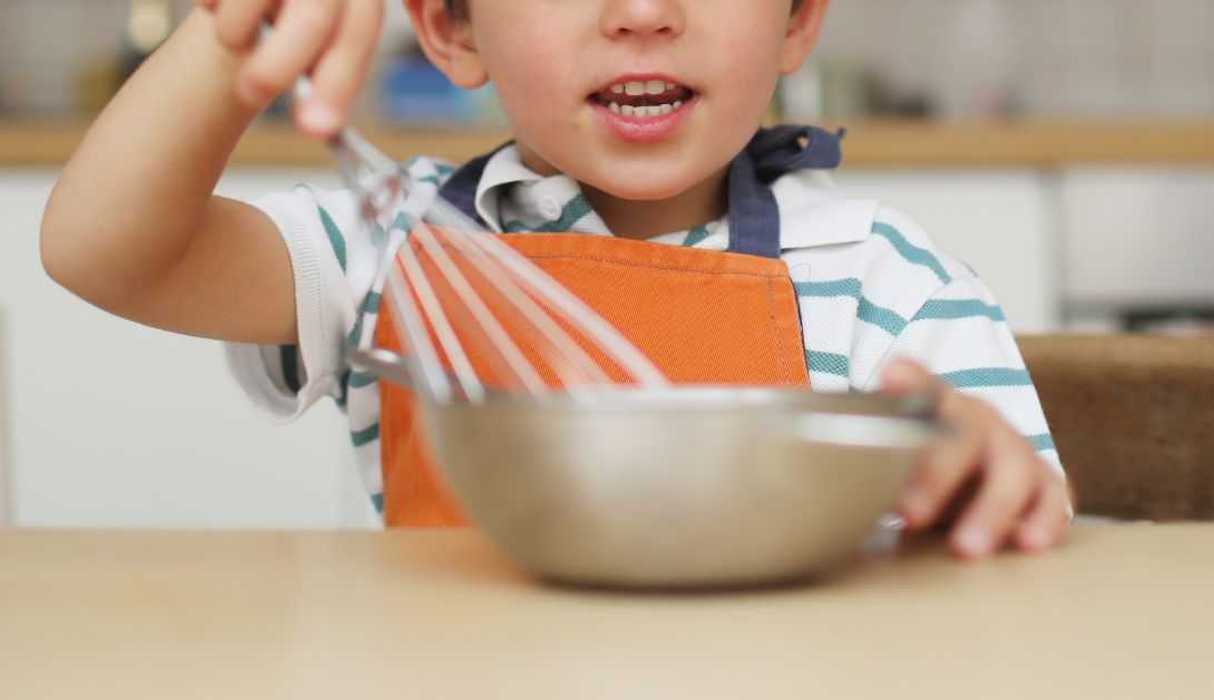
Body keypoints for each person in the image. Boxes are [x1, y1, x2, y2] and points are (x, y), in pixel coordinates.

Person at [41, 0, 1072, 558]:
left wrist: (981, 484)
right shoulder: (391, 249)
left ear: (800, 15)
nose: (642, 12)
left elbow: (1022, 541)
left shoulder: (893, 281)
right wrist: (243, 32)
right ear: (452, 28)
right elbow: (104, 248)